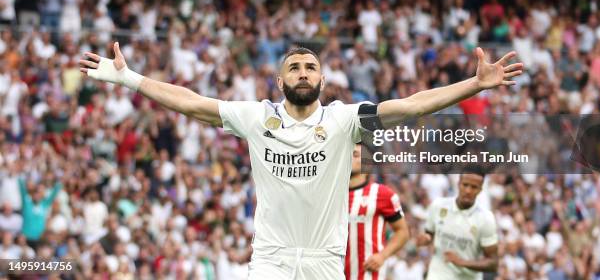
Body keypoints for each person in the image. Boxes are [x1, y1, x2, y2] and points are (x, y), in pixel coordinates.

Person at [79, 42, 522, 280]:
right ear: (280, 79)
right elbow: (192, 103)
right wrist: (130, 78)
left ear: (323, 79)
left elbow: (410, 106)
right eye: (294, 67)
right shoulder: (258, 116)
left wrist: (473, 85)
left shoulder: (345, 119)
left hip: (324, 261)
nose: (303, 73)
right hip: (270, 259)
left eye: (310, 67)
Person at [415, 172, 499, 280]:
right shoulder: (438, 205)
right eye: (465, 185)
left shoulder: (486, 218)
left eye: (474, 187)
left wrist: (461, 262)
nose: (468, 191)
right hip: (438, 274)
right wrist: (425, 239)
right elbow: (429, 234)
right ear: (458, 184)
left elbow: (493, 263)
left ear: (480, 190)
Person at [345, 144, 409, 280]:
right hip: (331, 273)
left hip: (367, 274)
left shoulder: (383, 194)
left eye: (355, 155)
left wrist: (382, 256)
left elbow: (402, 232)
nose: (348, 157)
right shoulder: (330, 195)